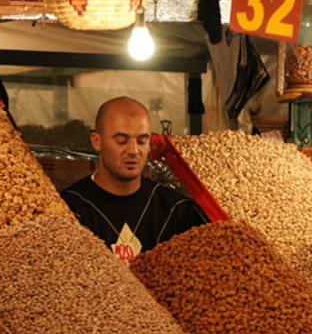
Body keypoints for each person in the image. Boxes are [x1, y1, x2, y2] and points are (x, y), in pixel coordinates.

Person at [61, 96, 207, 263]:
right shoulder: (70, 209)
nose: (133, 150)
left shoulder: (176, 210)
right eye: (121, 141)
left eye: (142, 141)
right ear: (97, 141)